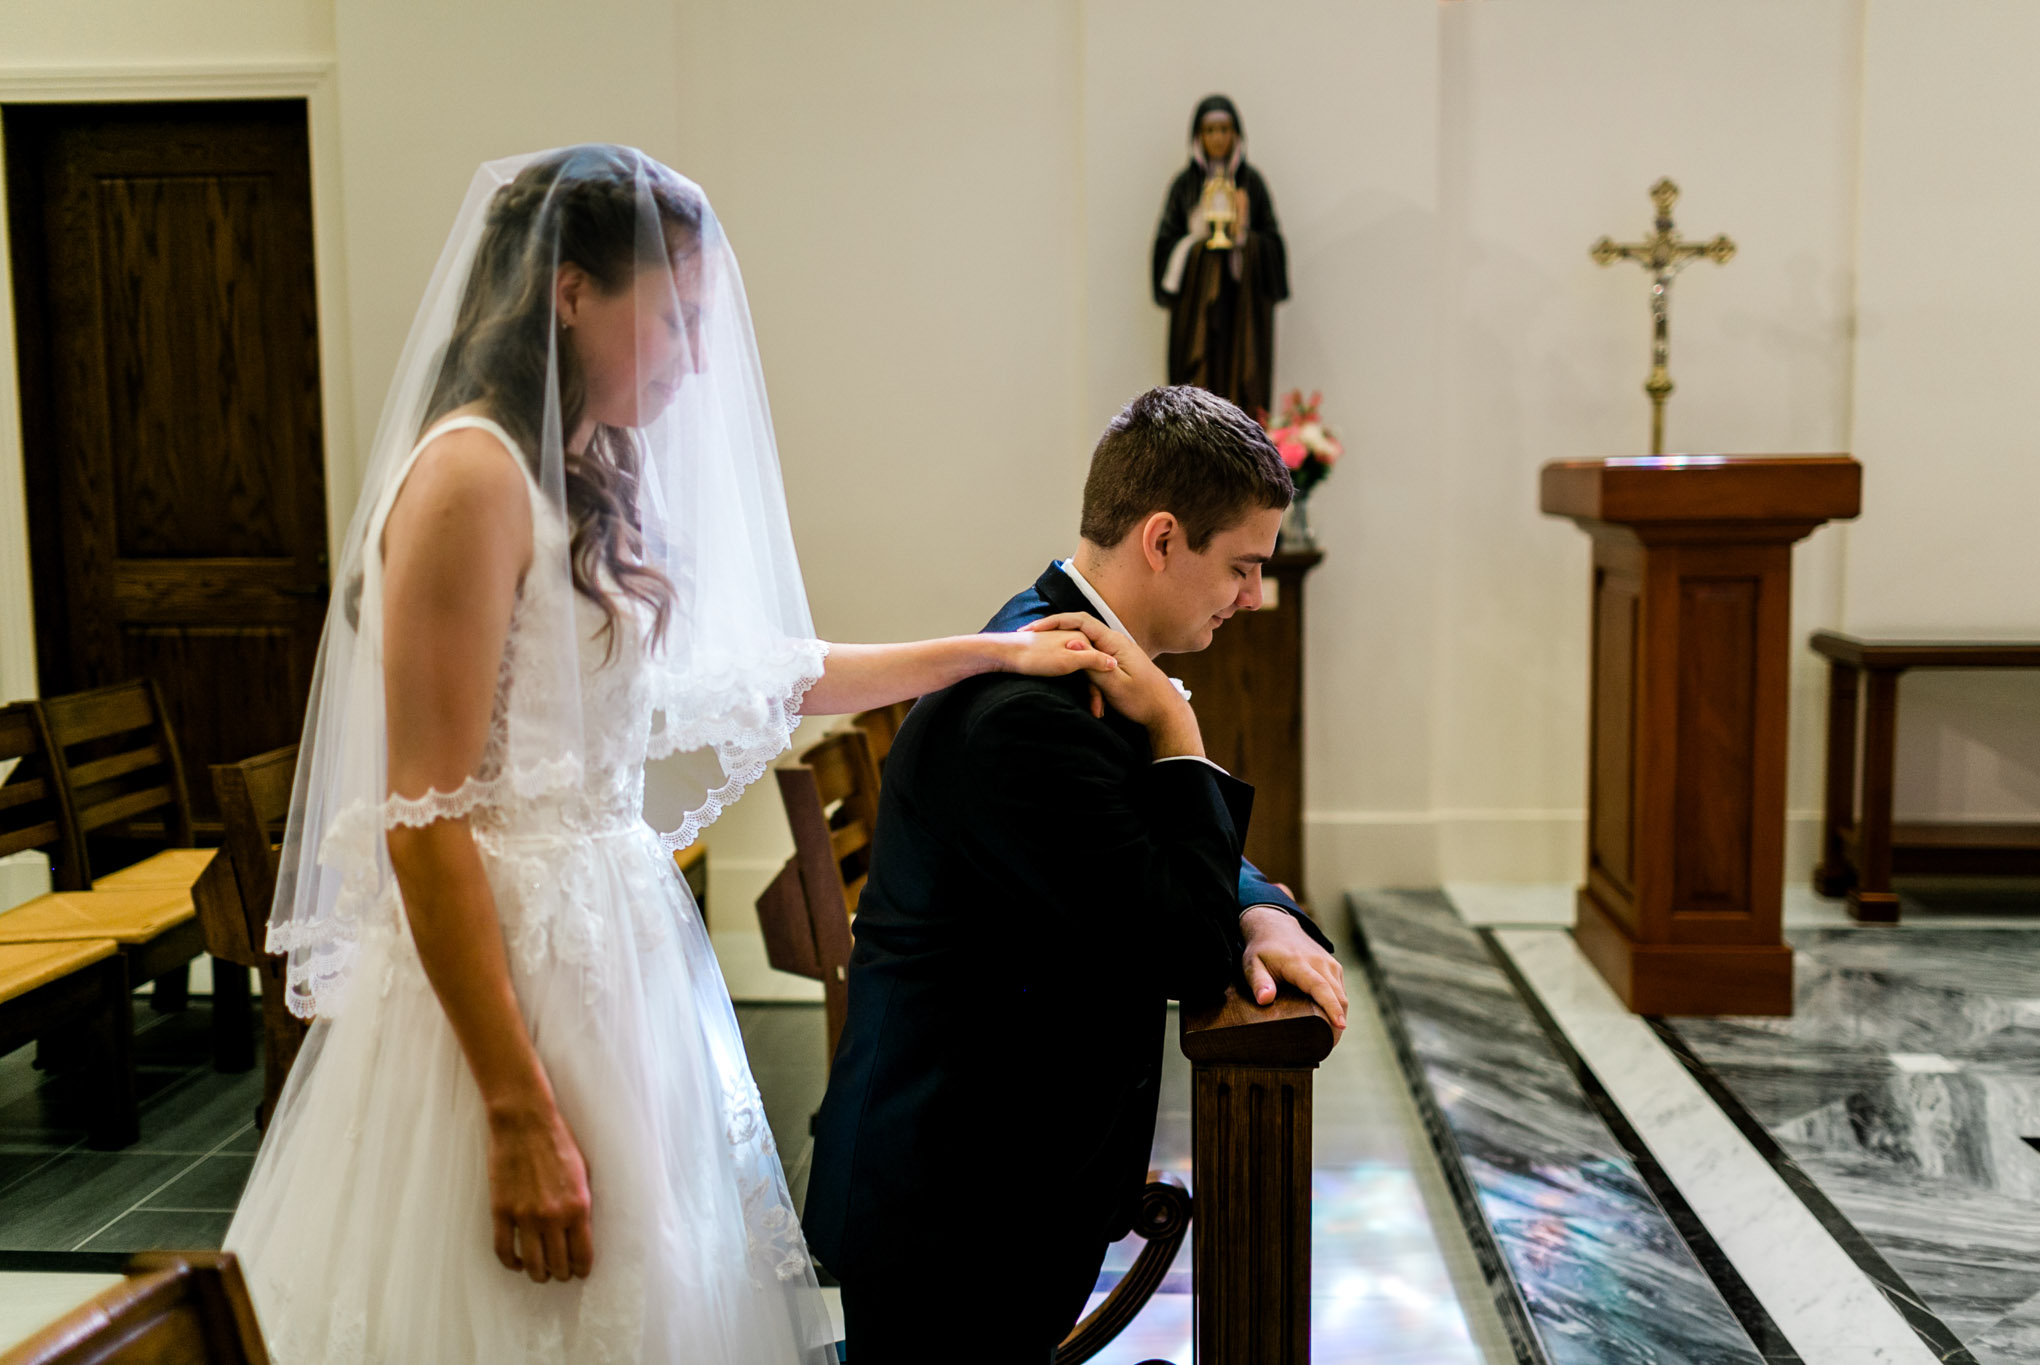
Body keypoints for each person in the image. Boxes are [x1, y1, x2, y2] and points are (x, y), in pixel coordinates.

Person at [224, 144, 1116, 1364]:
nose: (697, 358)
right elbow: (423, 820)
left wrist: (988, 655)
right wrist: (513, 1109)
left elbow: (750, 672)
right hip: (499, 989)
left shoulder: (589, 470)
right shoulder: (468, 479)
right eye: (677, 318)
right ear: (570, 291)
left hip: (615, 957)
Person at [804, 385, 1349, 1364]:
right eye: (1241, 567)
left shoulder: (1068, 653)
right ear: (1162, 538)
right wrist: (1179, 729)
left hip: (992, 1172)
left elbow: (1139, 844)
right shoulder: (1028, 714)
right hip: (954, 1206)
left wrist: (1261, 909)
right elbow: (1180, 945)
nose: (1252, 598)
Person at [1152, 94, 1290, 417]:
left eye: (1224, 129)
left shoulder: (1251, 184)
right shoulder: (1184, 186)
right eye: (1210, 130)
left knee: (1242, 394)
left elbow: (1274, 249)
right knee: (1196, 396)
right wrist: (1195, 240)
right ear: (1198, 136)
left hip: (1242, 313)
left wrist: (1244, 238)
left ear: (1236, 134)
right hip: (1195, 315)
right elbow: (1163, 253)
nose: (1217, 138)